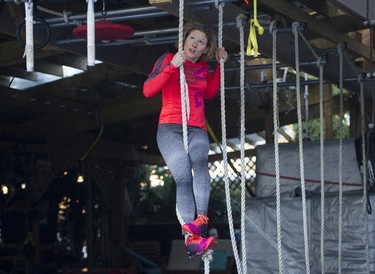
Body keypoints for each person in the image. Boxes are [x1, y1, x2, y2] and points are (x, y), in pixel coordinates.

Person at [143, 21, 228, 259]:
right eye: (193, 39)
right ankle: (190, 238)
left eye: (202, 42)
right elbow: (148, 90)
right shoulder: (168, 58)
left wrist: (220, 66)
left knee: (200, 164)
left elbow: (209, 93)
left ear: (205, 49)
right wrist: (171, 66)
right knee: (182, 178)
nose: (196, 44)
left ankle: (199, 221)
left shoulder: (202, 68)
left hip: (196, 128)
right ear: (185, 39)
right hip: (170, 127)